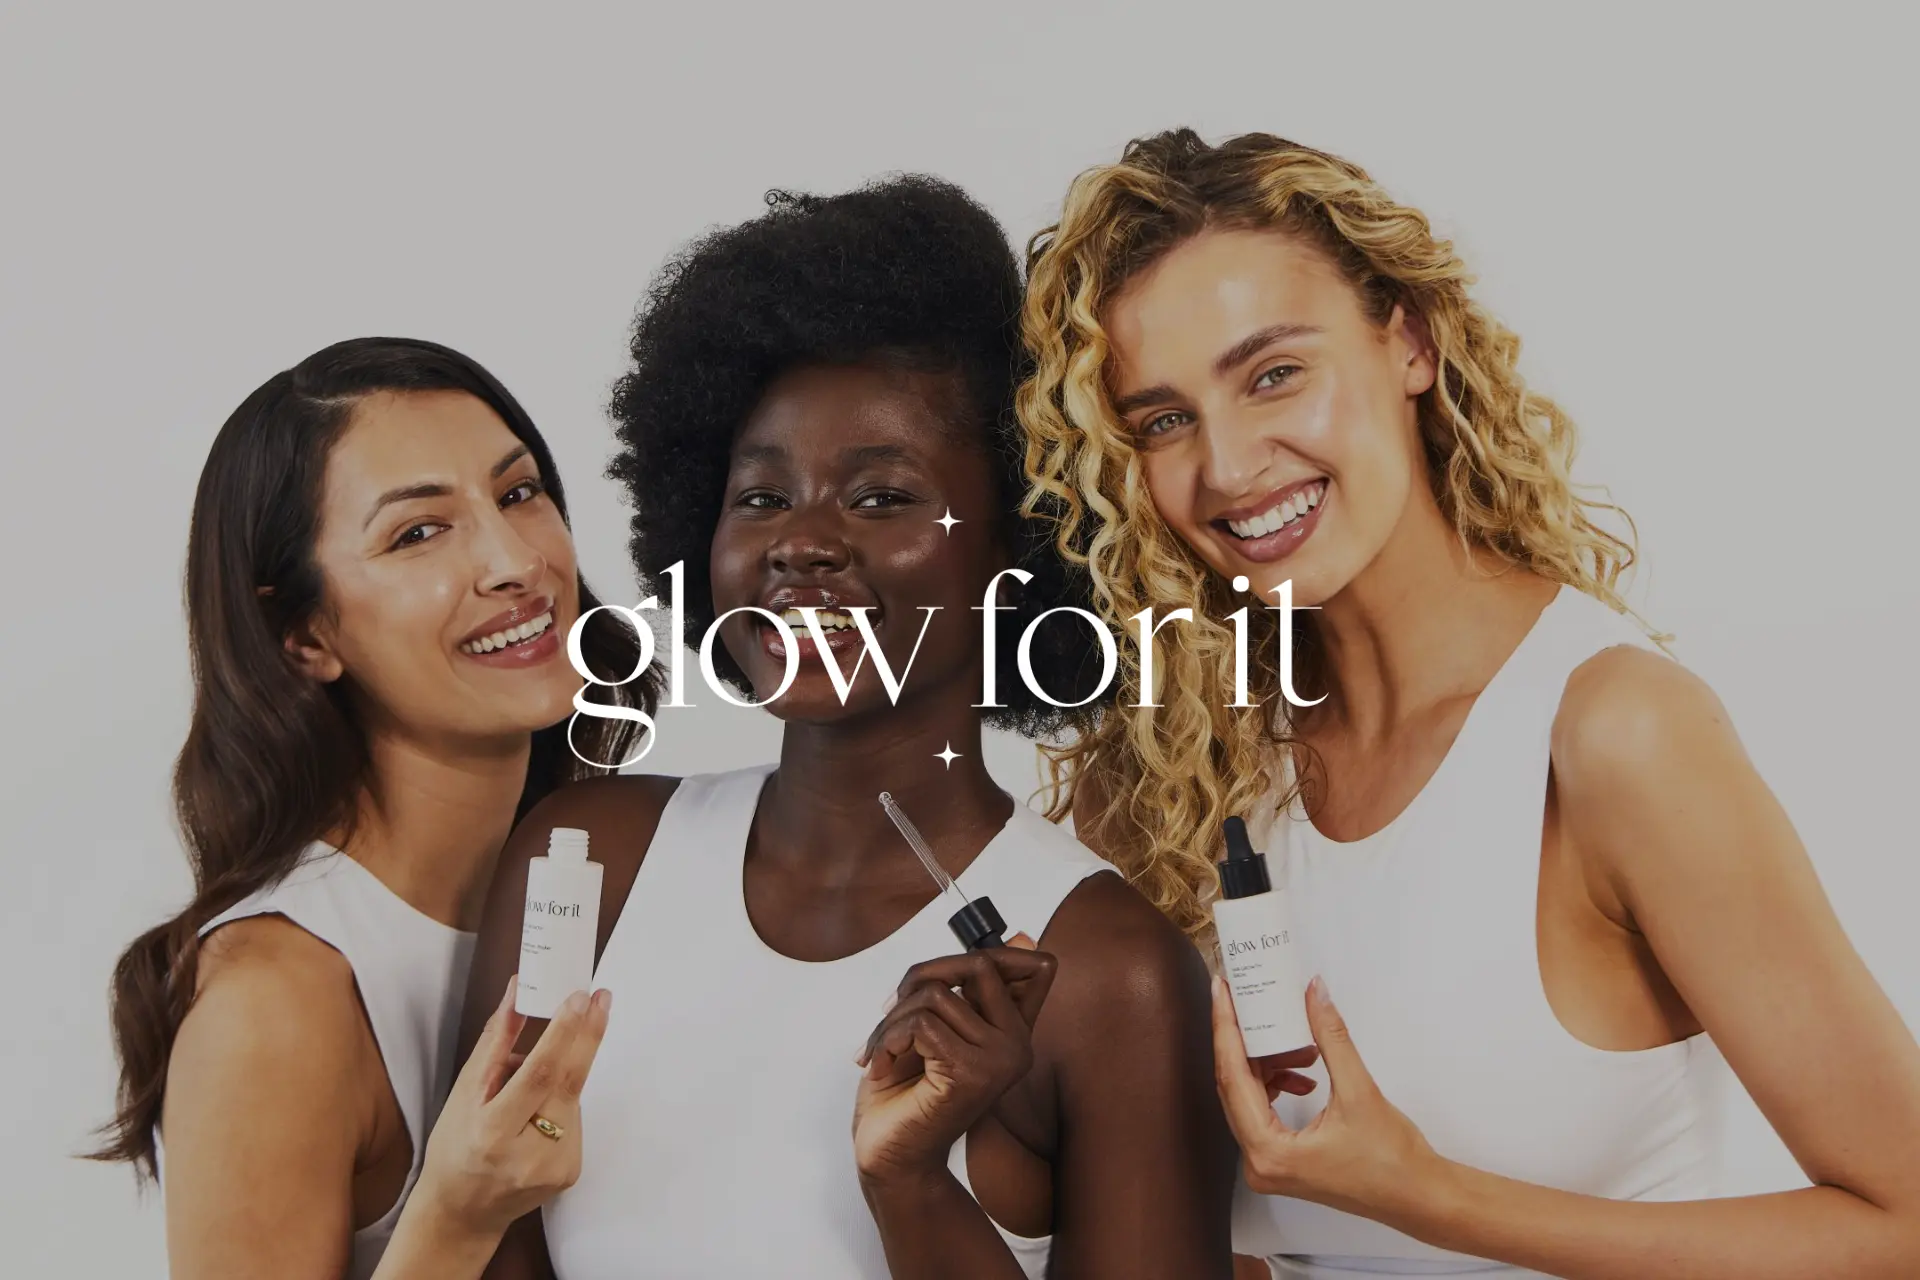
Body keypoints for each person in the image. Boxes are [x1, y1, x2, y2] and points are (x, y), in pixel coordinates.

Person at [1016, 129, 1920, 1278]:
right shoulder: (1172, 768)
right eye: (1162, 420)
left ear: (1410, 340)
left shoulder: (1610, 736)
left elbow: (1903, 1225)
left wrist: (1424, 1193)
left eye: (1274, 373)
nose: (1232, 465)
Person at [459, 177, 1236, 1278]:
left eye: (880, 497)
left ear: (1022, 542)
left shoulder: (1106, 973)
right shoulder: (589, 860)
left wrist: (912, 1183)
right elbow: (483, 1242)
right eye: (762, 497)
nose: (801, 544)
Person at [91, 338, 657, 1279]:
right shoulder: (276, 1006)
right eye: (418, 533)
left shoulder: (636, 878)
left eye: (518, 493)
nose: (517, 561)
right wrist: (457, 1216)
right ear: (305, 634)